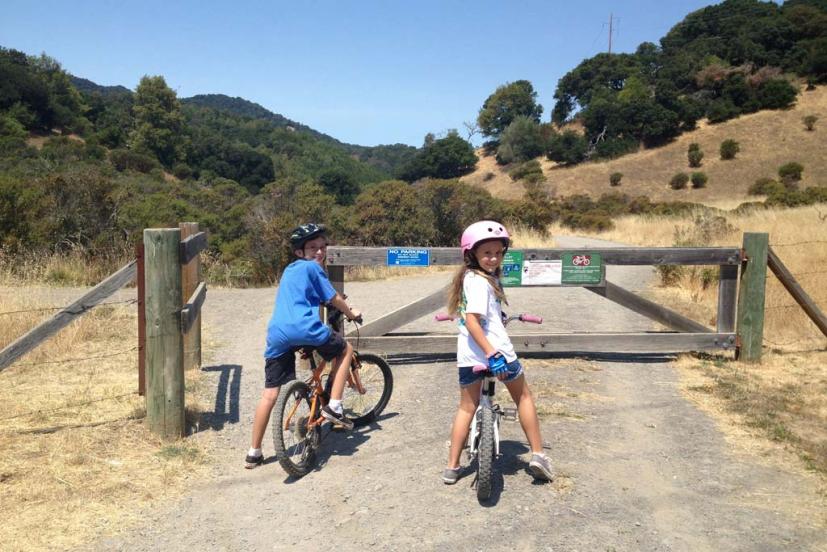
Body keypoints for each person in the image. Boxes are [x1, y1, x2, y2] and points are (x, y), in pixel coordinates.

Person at [442, 220, 554, 484]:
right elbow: (472, 320)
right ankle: (537, 454)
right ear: (472, 255)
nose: (493, 258)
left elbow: (471, 317)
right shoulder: (482, 283)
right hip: (497, 353)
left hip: (469, 357)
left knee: (466, 408)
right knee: (523, 397)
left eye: (498, 252)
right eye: (487, 253)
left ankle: (452, 466)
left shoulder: (471, 279)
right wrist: (492, 352)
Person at [245, 223, 361, 469]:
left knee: (270, 394)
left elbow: (304, 294)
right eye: (312, 248)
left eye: (322, 247)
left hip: (277, 333)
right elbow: (334, 298)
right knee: (345, 349)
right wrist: (351, 313)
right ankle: (335, 407)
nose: (319, 252)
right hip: (304, 328)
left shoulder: (290, 270)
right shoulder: (314, 268)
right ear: (300, 252)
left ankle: (253, 452)